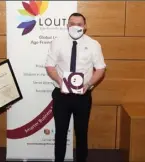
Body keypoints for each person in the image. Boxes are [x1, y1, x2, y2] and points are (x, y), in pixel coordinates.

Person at [45, 13, 106, 162]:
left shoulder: (93, 44)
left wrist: (89, 84)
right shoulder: (57, 42)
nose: (75, 27)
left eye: (79, 24)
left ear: (85, 27)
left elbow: (100, 69)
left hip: (83, 96)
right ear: (67, 25)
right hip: (61, 94)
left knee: (81, 132)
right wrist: (60, 81)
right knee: (60, 132)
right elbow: (49, 66)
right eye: (72, 23)